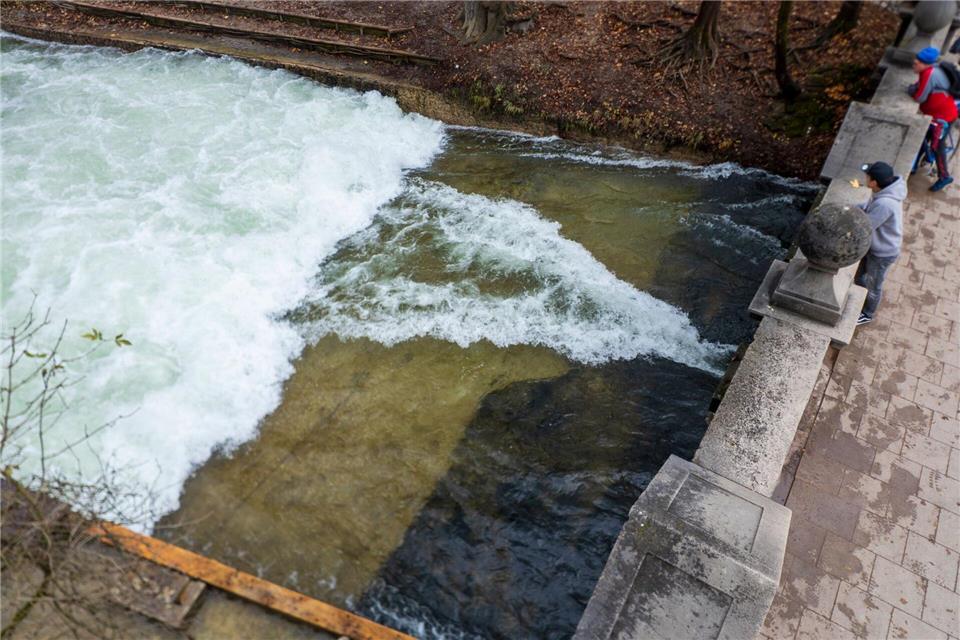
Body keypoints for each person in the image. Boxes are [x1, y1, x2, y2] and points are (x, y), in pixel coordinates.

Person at [856, 161, 906, 326]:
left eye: (868, 176)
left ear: (874, 182)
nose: (865, 178)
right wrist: (854, 208)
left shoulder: (885, 203)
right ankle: (859, 297)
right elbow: (868, 206)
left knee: (873, 284)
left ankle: (867, 313)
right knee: (862, 276)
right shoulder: (884, 192)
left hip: (882, 253)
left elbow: (866, 226)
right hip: (875, 248)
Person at [908, 46, 958, 192]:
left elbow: (920, 97)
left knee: (937, 147)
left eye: (916, 63)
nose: (914, 64)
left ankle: (944, 176)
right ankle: (915, 165)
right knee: (924, 138)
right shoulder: (932, 70)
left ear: (925, 64)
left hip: (942, 118)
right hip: (940, 115)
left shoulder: (929, 74)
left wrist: (911, 91)